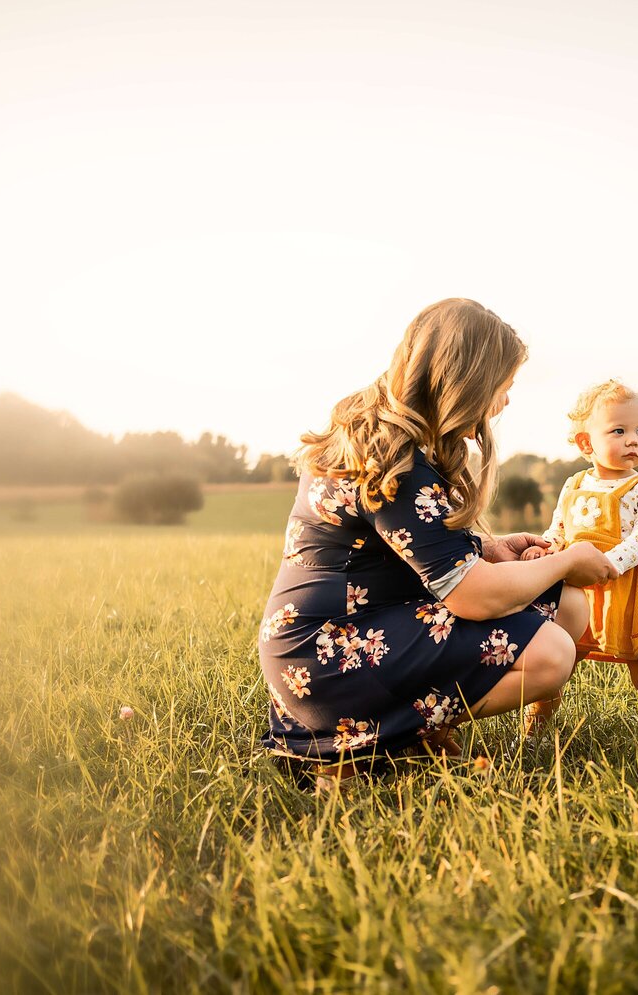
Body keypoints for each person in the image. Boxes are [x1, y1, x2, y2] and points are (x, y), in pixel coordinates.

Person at [257, 298, 618, 786]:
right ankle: (354, 745)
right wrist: (566, 561)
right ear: (466, 382)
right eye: (501, 388)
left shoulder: (389, 435)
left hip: (358, 629)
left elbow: (411, 544)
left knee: (568, 606)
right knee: (552, 650)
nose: (505, 402)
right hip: (326, 655)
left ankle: (407, 728)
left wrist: (490, 549)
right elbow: (473, 596)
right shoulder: (394, 458)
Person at [519, 380, 638, 750]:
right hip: (577, 593)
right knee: (553, 670)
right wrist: (545, 550)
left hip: (629, 591)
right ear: (585, 443)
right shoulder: (574, 484)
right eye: (619, 431)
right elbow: (559, 529)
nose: (633, 440)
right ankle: (531, 737)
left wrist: (608, 563)